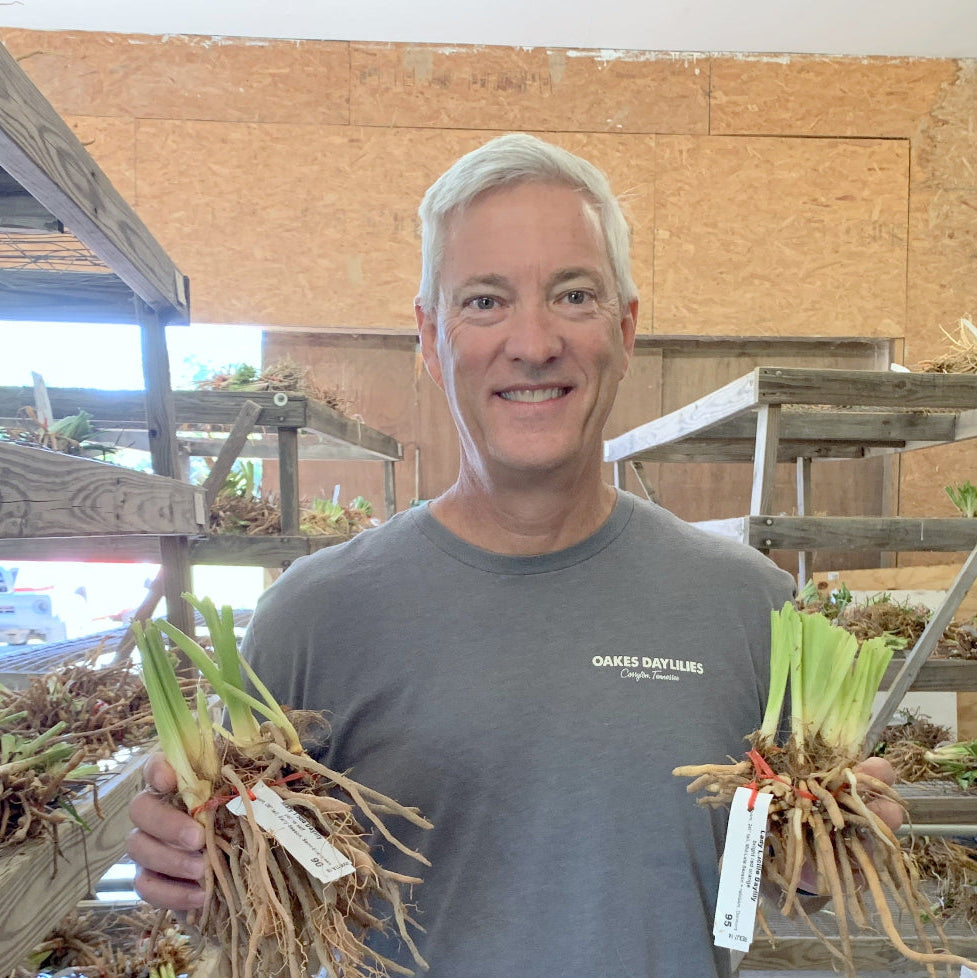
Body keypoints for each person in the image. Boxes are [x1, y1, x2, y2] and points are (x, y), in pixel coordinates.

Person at [127, 133, 900, 978]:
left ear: (625, 326)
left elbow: (750, 888)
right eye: (485, 301)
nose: (532, 343)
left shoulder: (746, 608)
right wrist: (201, 869)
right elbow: (285, 901)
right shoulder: (314, 619)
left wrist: (816, 869)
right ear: (429, 338)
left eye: (573, 295)